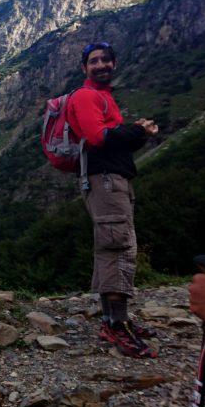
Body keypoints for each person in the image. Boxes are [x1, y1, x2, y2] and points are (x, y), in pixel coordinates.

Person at [67, 42, 159, 358]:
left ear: (115, 64)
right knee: (118, 246)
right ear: (84, 68)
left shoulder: (104, 98)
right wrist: (137, 130)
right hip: (105, 180)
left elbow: (114, 143)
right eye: (94, 61)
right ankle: (116, 327)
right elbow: (98, 138)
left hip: (111, 179)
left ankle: (115, 319)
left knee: (113, 246)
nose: (101, 65)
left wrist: (135, 134)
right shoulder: (86, 96)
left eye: (106, 59)